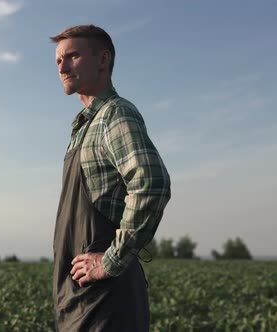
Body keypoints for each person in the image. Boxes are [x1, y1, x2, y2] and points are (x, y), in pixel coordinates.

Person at [51, 24, 171, 331]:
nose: (62, 67)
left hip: (106, 306)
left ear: (103, 59)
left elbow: (151, 183)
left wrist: (110, 261)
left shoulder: (114, 115)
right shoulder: (83, 127)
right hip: (81, 301)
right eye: (58, 61)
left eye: (73, 56)